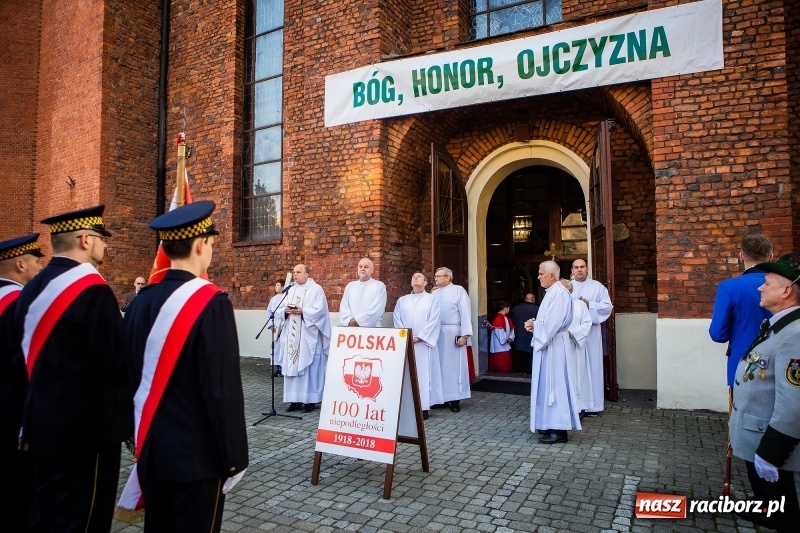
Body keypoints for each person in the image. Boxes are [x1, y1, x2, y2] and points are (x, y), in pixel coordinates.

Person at [119, 200, 248, 532]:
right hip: (198, 462)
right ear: (200, 244)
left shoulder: (138, 304)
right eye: (211, 244)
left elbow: (128, 377)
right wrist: (235, 459)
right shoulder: (212, 304)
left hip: (152, 452)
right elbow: (223, 390)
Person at [14, 205, 132, 532]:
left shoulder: (31, 289)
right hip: (85, 435)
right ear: (84, 239)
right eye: (100, 238)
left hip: (39, 426)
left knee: (44, 515)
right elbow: (116, 363)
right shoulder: (93, 291)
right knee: (83, 520)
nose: (105, 245)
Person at [729, 253, 800, 532]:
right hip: (757, 437)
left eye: (767, 282)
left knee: (789, 519)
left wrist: (771, 453)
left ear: (785, 290)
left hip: (778, 453)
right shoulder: (778, 326)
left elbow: (793, 404)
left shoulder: (794, 334)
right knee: (775, 511)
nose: (760, 287)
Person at [0, 233, 44, 531]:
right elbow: (26, 366)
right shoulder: (18, 304)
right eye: (35, 260)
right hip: (12, 414)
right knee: (16, 494)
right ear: (20, 264)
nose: (40, 266)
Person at [526, 261, 582, 444]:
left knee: (555, 385)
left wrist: (537, 326)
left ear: (552, 275)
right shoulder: (553, 293)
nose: (539, 277)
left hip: (555, 346)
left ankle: (559, 430)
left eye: (541, 273)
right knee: (548, 385)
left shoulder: (558, 293)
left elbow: (552, 324)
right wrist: (536, 326)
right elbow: (547, 321)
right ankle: (551, 424)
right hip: (552, 344)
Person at [709, 234, 773, 387]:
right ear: (771, 256)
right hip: (779, 361)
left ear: (741, 255)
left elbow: (718, 334)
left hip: (743, 364)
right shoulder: (787, 285)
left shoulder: (729, 287)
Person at [278, 264, 331, 413]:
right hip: (292, 336)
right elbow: (279, 308)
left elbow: (319, 312)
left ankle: (310, 400)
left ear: (307, 274)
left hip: (309, 335)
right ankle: (294, 400)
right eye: (294, 272)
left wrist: (303, 311)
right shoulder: (290, 289)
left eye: (298, 272)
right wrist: (286, 311)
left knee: (309, 367)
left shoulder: (316, 290)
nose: (295, 275)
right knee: (292, 365)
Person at [392, 273, 442, 419]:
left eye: (419, 277)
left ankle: (423, 407)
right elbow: (397, 318)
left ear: (426, 282)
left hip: (423, 344)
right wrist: (405, 335)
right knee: (406, 374)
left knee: (423, 375)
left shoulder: (432, 300)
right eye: (413, 276)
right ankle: (406, 407)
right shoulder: (403, 300)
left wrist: (420, 337)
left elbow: (434, 320)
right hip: (406, 343)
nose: (415, 278)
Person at [569, 258, 613, 416]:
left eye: (582, 267)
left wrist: (590, 304)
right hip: (572, 334)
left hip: (592, 335)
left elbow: (608, 307)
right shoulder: (567, 287)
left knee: (593, 367)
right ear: (572, 270)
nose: (579, 270)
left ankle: (593, 405)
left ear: (587, 269)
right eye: (576, 267)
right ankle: (575, 403)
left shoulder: (597, 287)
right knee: (575, 368)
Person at [431, 267, 471, 412]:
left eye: (438, 276)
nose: (435, 279)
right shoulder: (434, 293)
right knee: (438, 366)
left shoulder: (458, 291)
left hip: (453, 331)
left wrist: (464, 335)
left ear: (448, 277)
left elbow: (465, 311)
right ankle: (440, 398)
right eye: (435, 276)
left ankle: (454, 399)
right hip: (437, 333)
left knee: (453, 367)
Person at [560, 279, 594, 413]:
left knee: (576, 376)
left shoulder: (580, 305)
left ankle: (578, 407)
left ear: (570, 290)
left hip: (575, 345)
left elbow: (587, 323)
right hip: (559, 348)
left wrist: (572, 334)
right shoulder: (554, 305)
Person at [339, 257, 387, 327]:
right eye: (360, 266)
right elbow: (344, 307)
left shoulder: (379, 286)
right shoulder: (350, 286)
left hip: (371, 330)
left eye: (366, 267)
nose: (362, 269)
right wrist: (349, 320)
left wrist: (358, 321)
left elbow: (376, 310)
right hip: (351, 329)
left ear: (372, 270)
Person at [509, 293, 538, 374]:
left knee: (519, 359)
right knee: (530, 359)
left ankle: (518, 372)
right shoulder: (537, 309)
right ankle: (529, 373)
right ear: (533, 300)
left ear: (525, 299)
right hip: (531, 339)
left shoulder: (515, 308)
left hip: (518, 338)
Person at [266, 279, 285, 377]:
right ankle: (278, 368)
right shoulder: (273, 299)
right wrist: (271, 325)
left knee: (284, 347)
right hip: (276, 325)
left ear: (282, 286)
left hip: (284, 325)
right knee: (276, 348)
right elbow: (269, 312)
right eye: (276, 285)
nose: (276, 287)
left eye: (278, 285)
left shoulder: (287, 297)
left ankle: (284, 368)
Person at [488, 301, 514, 373]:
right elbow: (501, 335)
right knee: (501, 367)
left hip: (506, 344)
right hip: (499, 347)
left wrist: (511, 338)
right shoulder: (498, 319)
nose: (509, 310)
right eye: (508, 308)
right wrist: (507, 340)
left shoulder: (507, 318)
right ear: (505, 308)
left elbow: (512, 330)